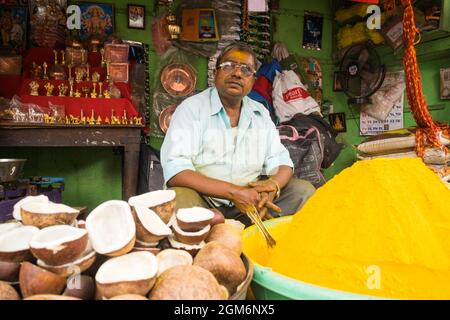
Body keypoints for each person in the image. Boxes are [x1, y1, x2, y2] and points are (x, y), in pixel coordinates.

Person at [160, 42, 315, 225]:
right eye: (229, 66)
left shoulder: (260, 113)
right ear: (215, 72)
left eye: (246, 70)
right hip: (205, 201)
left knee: (303, 191)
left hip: (251, 201)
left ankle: (264, 246)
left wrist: (273, 185)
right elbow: (176, 171)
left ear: (253, 80)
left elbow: (282, 162)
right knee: (179, 198)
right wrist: (233, 192)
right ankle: (201, 247)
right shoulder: (192, 109)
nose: (237, 73)